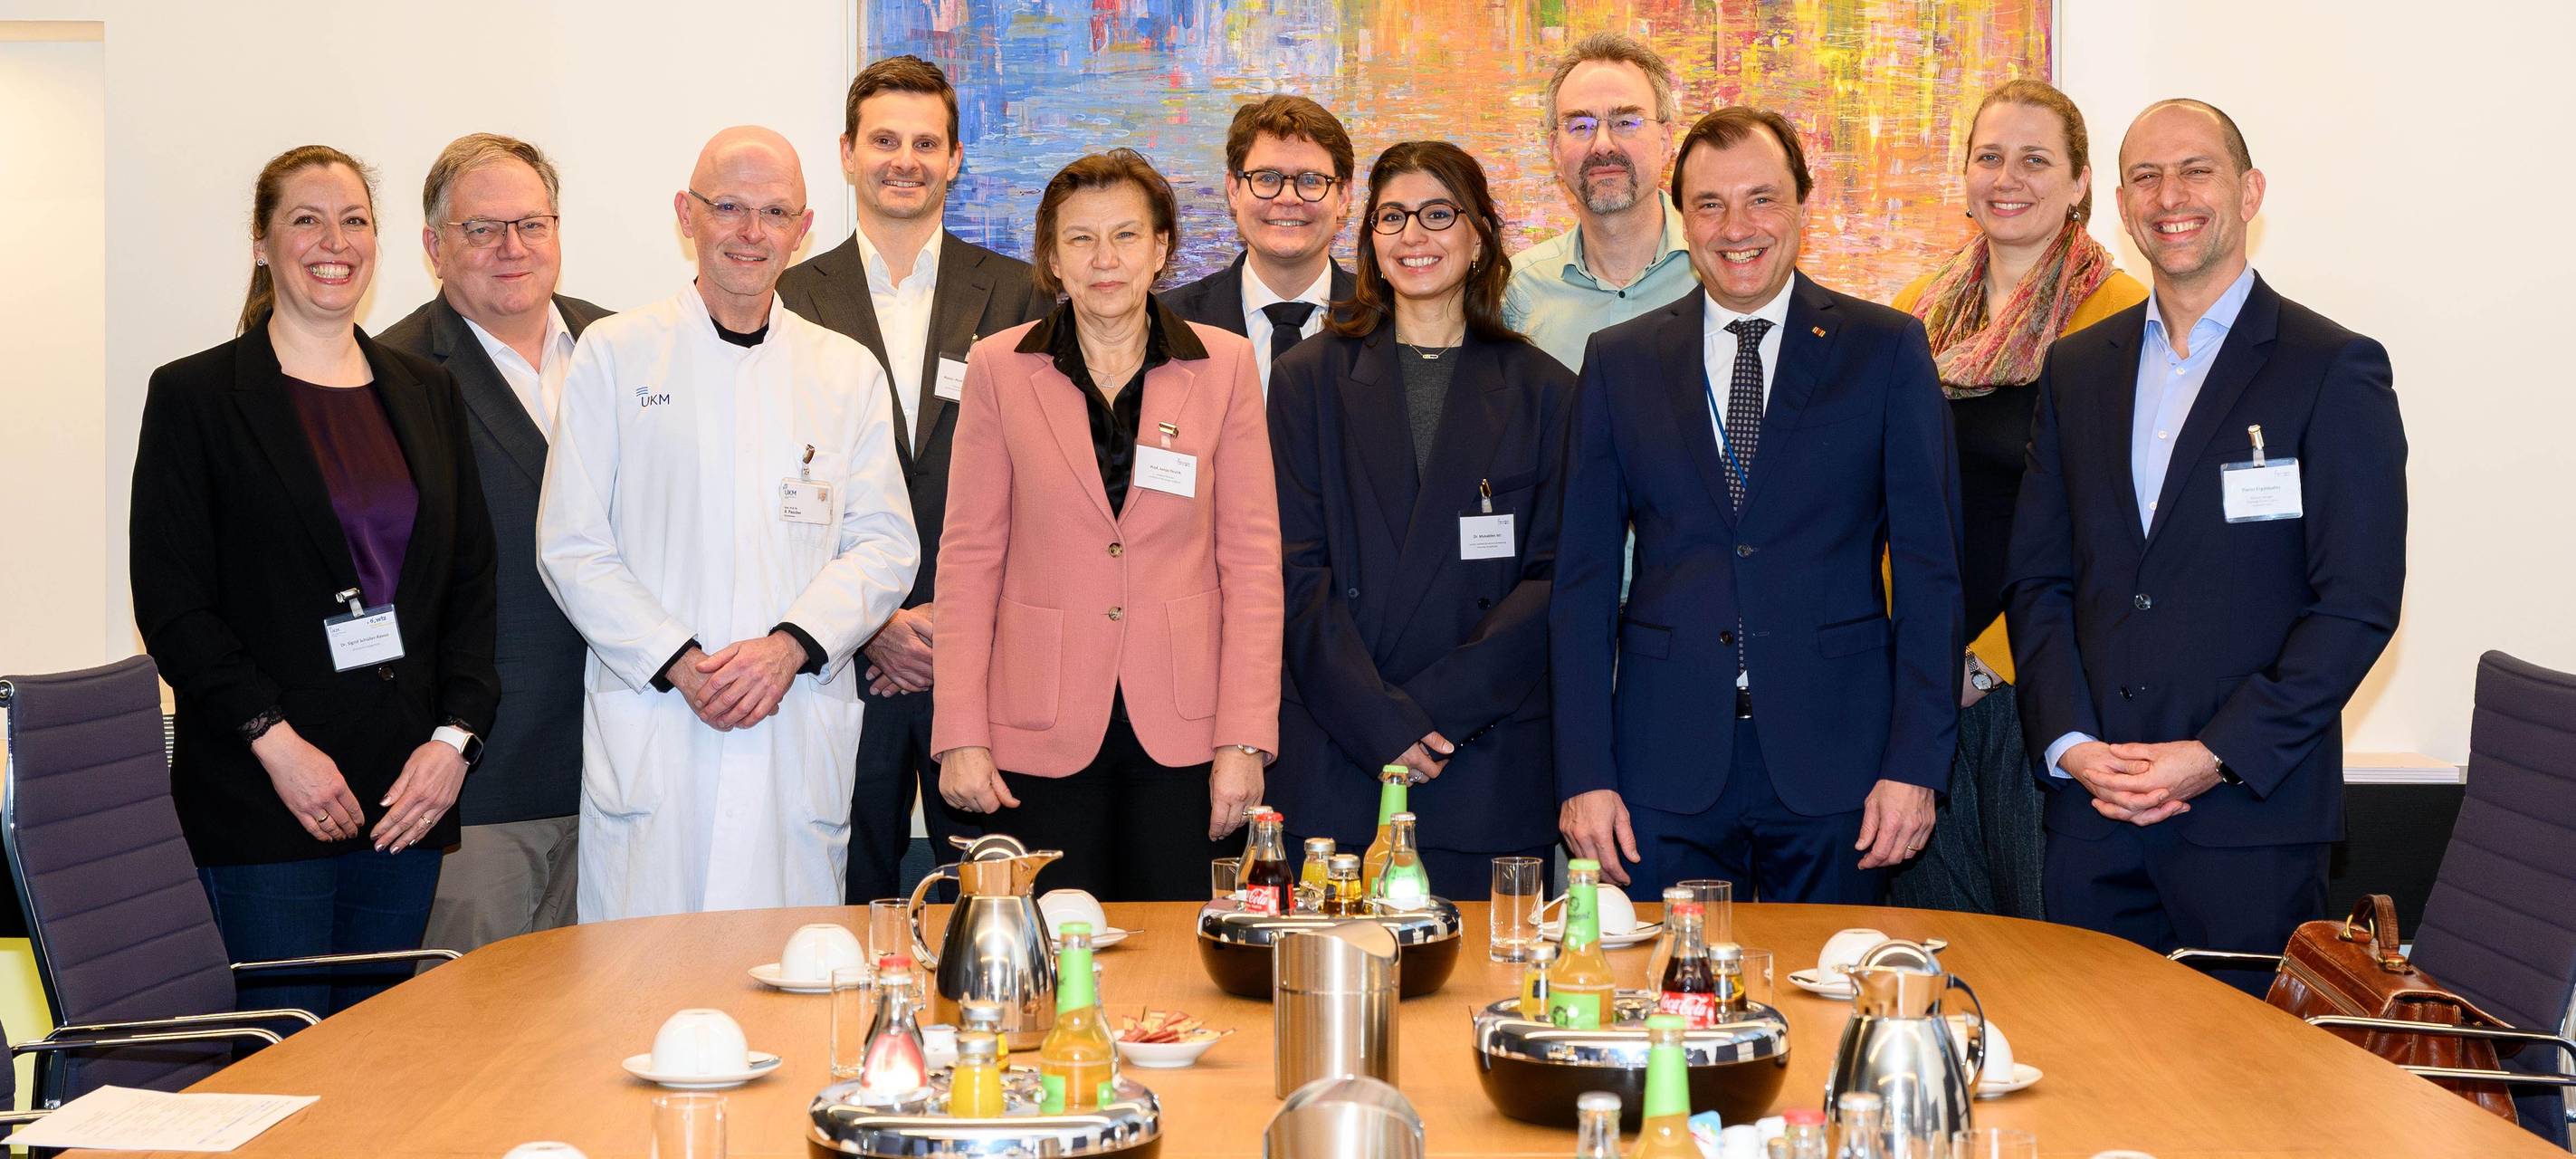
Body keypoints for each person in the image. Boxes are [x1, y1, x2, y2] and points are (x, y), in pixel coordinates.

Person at [2007, 100, 2405, 991]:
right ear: (2120, 204)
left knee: (2244, 1076)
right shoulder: (2077, 369)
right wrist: (2070, 744)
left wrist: (2212, 755)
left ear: (2249, 191)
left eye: (2195, 171)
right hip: (2093, 815)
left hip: (2249, 824)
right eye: (2145, 177)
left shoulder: (2329, 367)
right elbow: (2038, 579)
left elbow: (2354, 605)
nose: (2169, 196)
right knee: (2090, 1064)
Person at [1549, 108, 1963, 902]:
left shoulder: (1885, 351)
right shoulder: (1620, 362)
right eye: (1710, 204)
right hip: (1660, 767)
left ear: (1804, 203)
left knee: (1832, 980)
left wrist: (1916, 765)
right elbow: (1581, 584)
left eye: (1762, 199)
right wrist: (1585, 774)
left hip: (1840, 765)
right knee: (1665, 980)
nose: (1736, 228)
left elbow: (1930, 576)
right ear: (1683, 218)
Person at [130, 145, 498, 1016]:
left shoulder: (428, 390)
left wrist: (454, 744)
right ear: (262, 244)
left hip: (405, 798)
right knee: (282, 1064)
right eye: (307, 220)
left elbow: (472, 587)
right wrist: (276, 744)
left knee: (377, 1062)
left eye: (354, 220)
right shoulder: (196, 397)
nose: (335, 241)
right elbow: (174, 605)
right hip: (267, 796)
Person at [536, 128, 920, 921]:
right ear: (687, 215)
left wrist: (791, 647)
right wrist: (678, 661)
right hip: (656, 723)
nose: (751, 232)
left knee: (787, 970)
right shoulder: (614, 355)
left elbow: (885, 546)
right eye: (729, 207)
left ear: (802, 229)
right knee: (638, 977)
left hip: (792, 728)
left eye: (774, 213)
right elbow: (571, 547)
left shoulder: (846, 372)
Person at [931, 148, 1283, 901]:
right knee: (1050, 946)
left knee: (1181, 956)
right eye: (1080, 239)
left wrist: (1245, 738)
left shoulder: (1224, 366)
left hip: (1187, 730)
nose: (1104, 259)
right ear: (1052, 258)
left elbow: (1253, 564)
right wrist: (959, 733)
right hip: (1037, 726)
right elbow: (967, 561)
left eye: (1125, 236)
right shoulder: (999, 368)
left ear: (1160, 249)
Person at [1266, 142, 1576, 896]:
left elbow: (1556, 579)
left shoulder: (1545, 390)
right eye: (1393, 217)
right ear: (1370, 239)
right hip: (1339, 757)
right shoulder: (1307, 379)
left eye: (1439, 215)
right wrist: (1380, 722)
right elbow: (1295, 573)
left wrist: (1432, 714)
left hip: (1483, 759)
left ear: (1480, 236)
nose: (1414, 235)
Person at [778, 55, 1047, 904]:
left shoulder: (1024, 294)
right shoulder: (787, 298)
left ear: (955, 158)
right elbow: (768, 489)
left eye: (926, 143)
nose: (905, 160)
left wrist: (952, 623)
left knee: (996, 908)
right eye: (884, 140)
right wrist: (874, 622)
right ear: (848, 153)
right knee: (843, 902)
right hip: (840, 666)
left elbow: (1048, 487)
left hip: (987, 667)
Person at [1884, 81, 2145, 920]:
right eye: (1989, 157)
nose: (2007, 178)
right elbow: (1887, 502)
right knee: (1935, 939)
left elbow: (2111, 530)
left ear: (2079, 184)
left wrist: (1987, 662)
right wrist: (1910, 657)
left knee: (2040, 938)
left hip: (2042, 681)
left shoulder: (2122, 317)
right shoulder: (1915, 315)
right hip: (1920, 680)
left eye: (2035, 159)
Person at [378, 134, 612, 953]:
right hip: (482, 784)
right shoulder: (390, 373)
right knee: (476, 1018)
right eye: (481, 229)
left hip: (627, 768)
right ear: (433, 246)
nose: (513, 247)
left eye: (531, 224)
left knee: (607, 1012)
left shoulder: (623, 347)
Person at [1503, 33, 1700, 370]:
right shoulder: (1517, 292)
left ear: (1665, 141)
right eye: (1581, 126)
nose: (1603, 144)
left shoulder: (1717, 270)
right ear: (1555, 149)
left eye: (1626, 122)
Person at [1159, 95, 1356, 391]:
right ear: (1234, 190)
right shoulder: (1167, 324)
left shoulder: (1387, 321)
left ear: (1343, 197)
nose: (1288, 198)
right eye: (1266, 178)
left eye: (1311, 180)